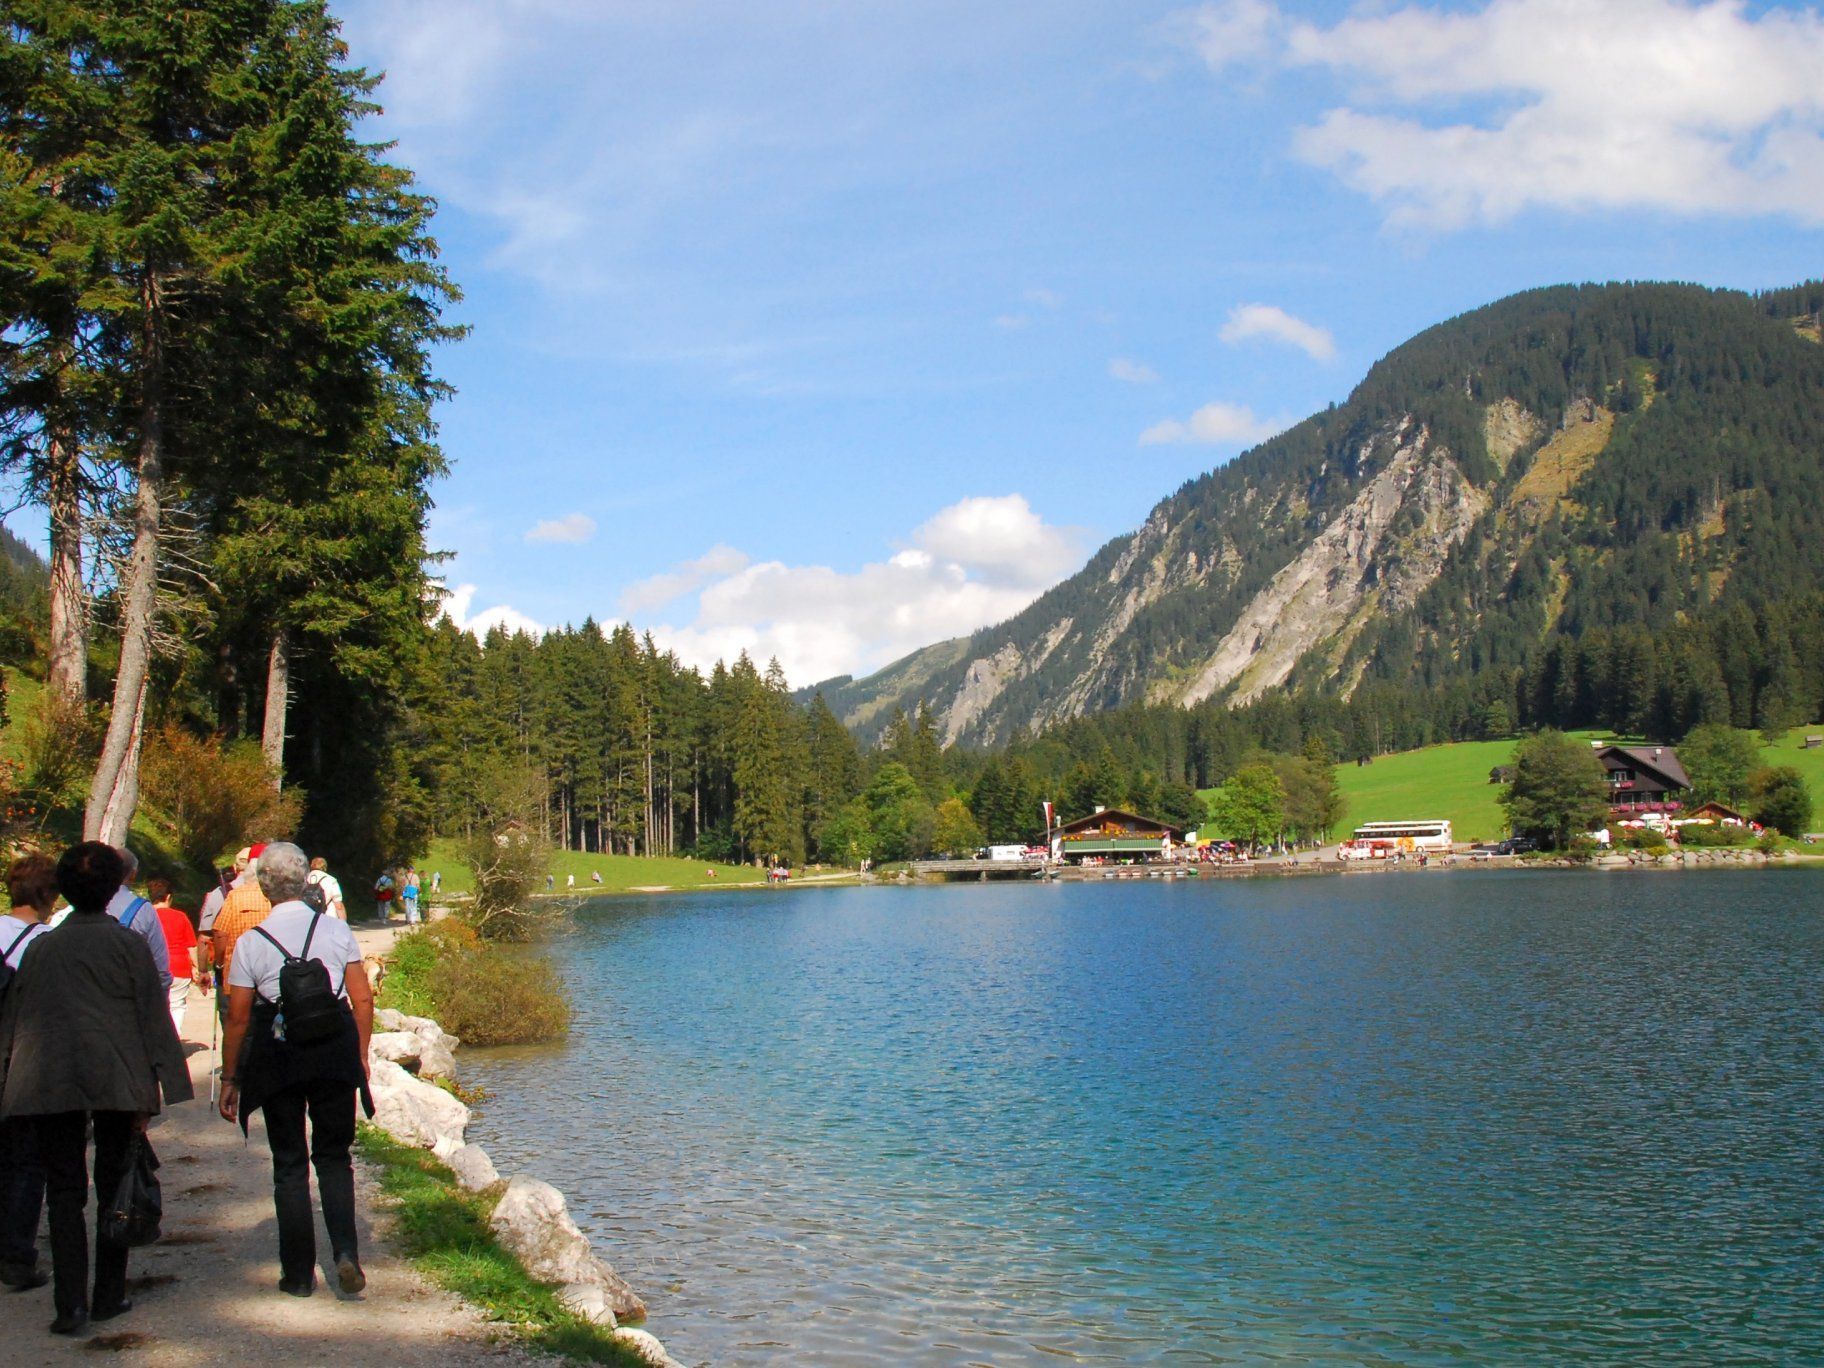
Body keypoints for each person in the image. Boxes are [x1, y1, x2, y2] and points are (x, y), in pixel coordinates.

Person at [0, 843, 193, 1336]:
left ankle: (70, 1306)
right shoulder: (127, 944)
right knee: (114, 1186)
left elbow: (16, 1018)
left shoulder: (43, 946)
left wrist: (10, 1081)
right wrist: (166, 1087)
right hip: (117, 1081)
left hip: (50, 1080)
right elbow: (153, 1017)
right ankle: (108, 1295)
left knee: (64, 1192)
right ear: (114, 889)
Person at [218, 843, 373, 1299]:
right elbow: (361, 999)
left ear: (263, 887)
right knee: (334, 1157)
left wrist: (231, 1077)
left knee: (289, 1165)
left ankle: (299, 1275)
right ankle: (345, 1253)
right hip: (331, 1049)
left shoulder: (251, 942)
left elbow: (239, 1018)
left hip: (277, 1053)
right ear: (305, 881)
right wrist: (360, 1056)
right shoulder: (335, 931)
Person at [0, 853, 58, 1291]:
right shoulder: (48, 943)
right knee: (25, 1162)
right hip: (24, 1065)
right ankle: (17, 1257)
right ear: (49, 894)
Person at [209, 847, 274, 1019]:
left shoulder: (235, 896)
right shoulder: (277, 898)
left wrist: (219, 963)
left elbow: (221, 934)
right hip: (271, 975)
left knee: (239, 1024)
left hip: (237, 973)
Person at [147, 878, 203, 1039]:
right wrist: (198, 968)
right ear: (169, 897)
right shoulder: (180, 916)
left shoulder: (146, 916)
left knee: (155, 1005)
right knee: (177, 1005)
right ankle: (174, 1038)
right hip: (179, 967)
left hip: (153, 966)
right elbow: (191, 946)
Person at [306, 857, 346, 922]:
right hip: (327, 918)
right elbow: (339, 906)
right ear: (325, 867)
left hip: (307, 918)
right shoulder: (331, 880)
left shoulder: (303, 879)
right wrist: (344, 924)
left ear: (311, 865)